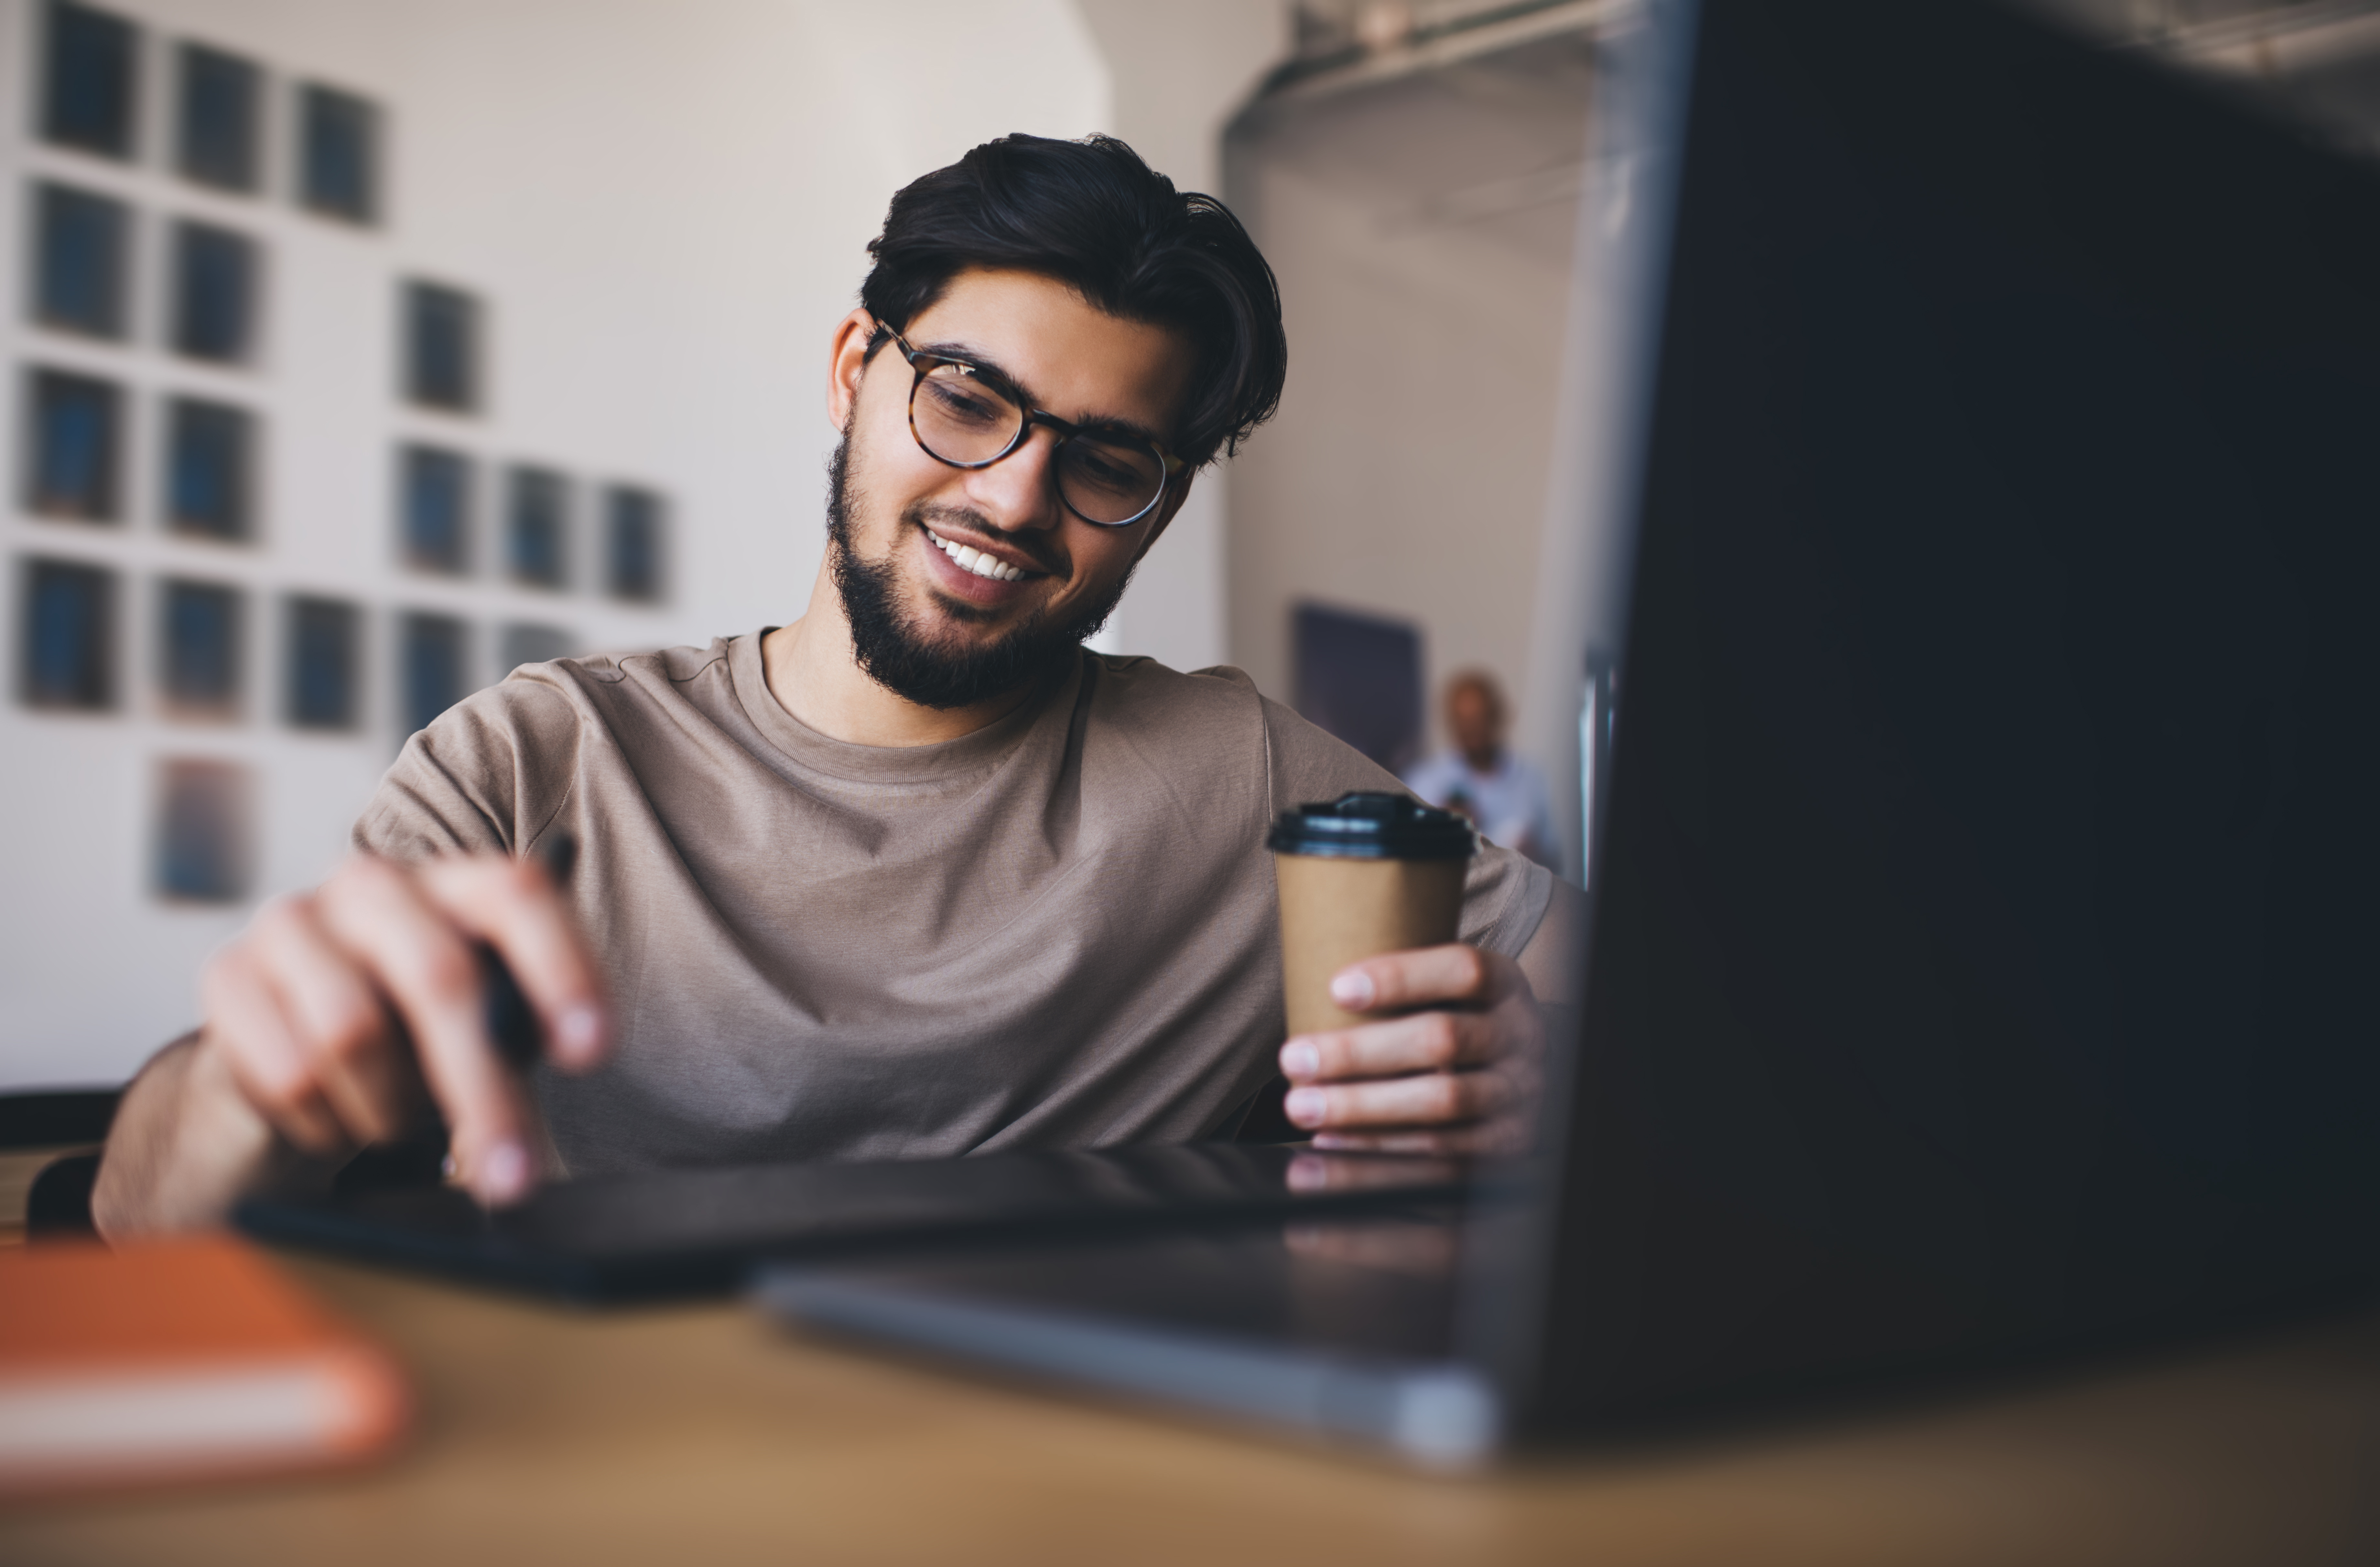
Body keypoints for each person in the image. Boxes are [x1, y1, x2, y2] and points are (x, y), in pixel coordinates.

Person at [94, 135, 1580, 1236]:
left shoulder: (1246, 778)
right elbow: (139, 1219)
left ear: (1162, 499)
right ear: (852, 368)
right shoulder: (539, 762)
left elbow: (1610, 988)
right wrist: (243, 1084)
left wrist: (1555, 1073)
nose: (1012, 495)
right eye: (966, 399)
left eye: (1107, 460)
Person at [1404, 671, 1561, 869]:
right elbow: (1408, 859)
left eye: (1480, 719)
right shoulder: (1425, 782)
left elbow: (1556, 858)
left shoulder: (1532, 778)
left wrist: (1534, 855)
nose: (1472, 731)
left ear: (1498, 716)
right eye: (1464, 722)